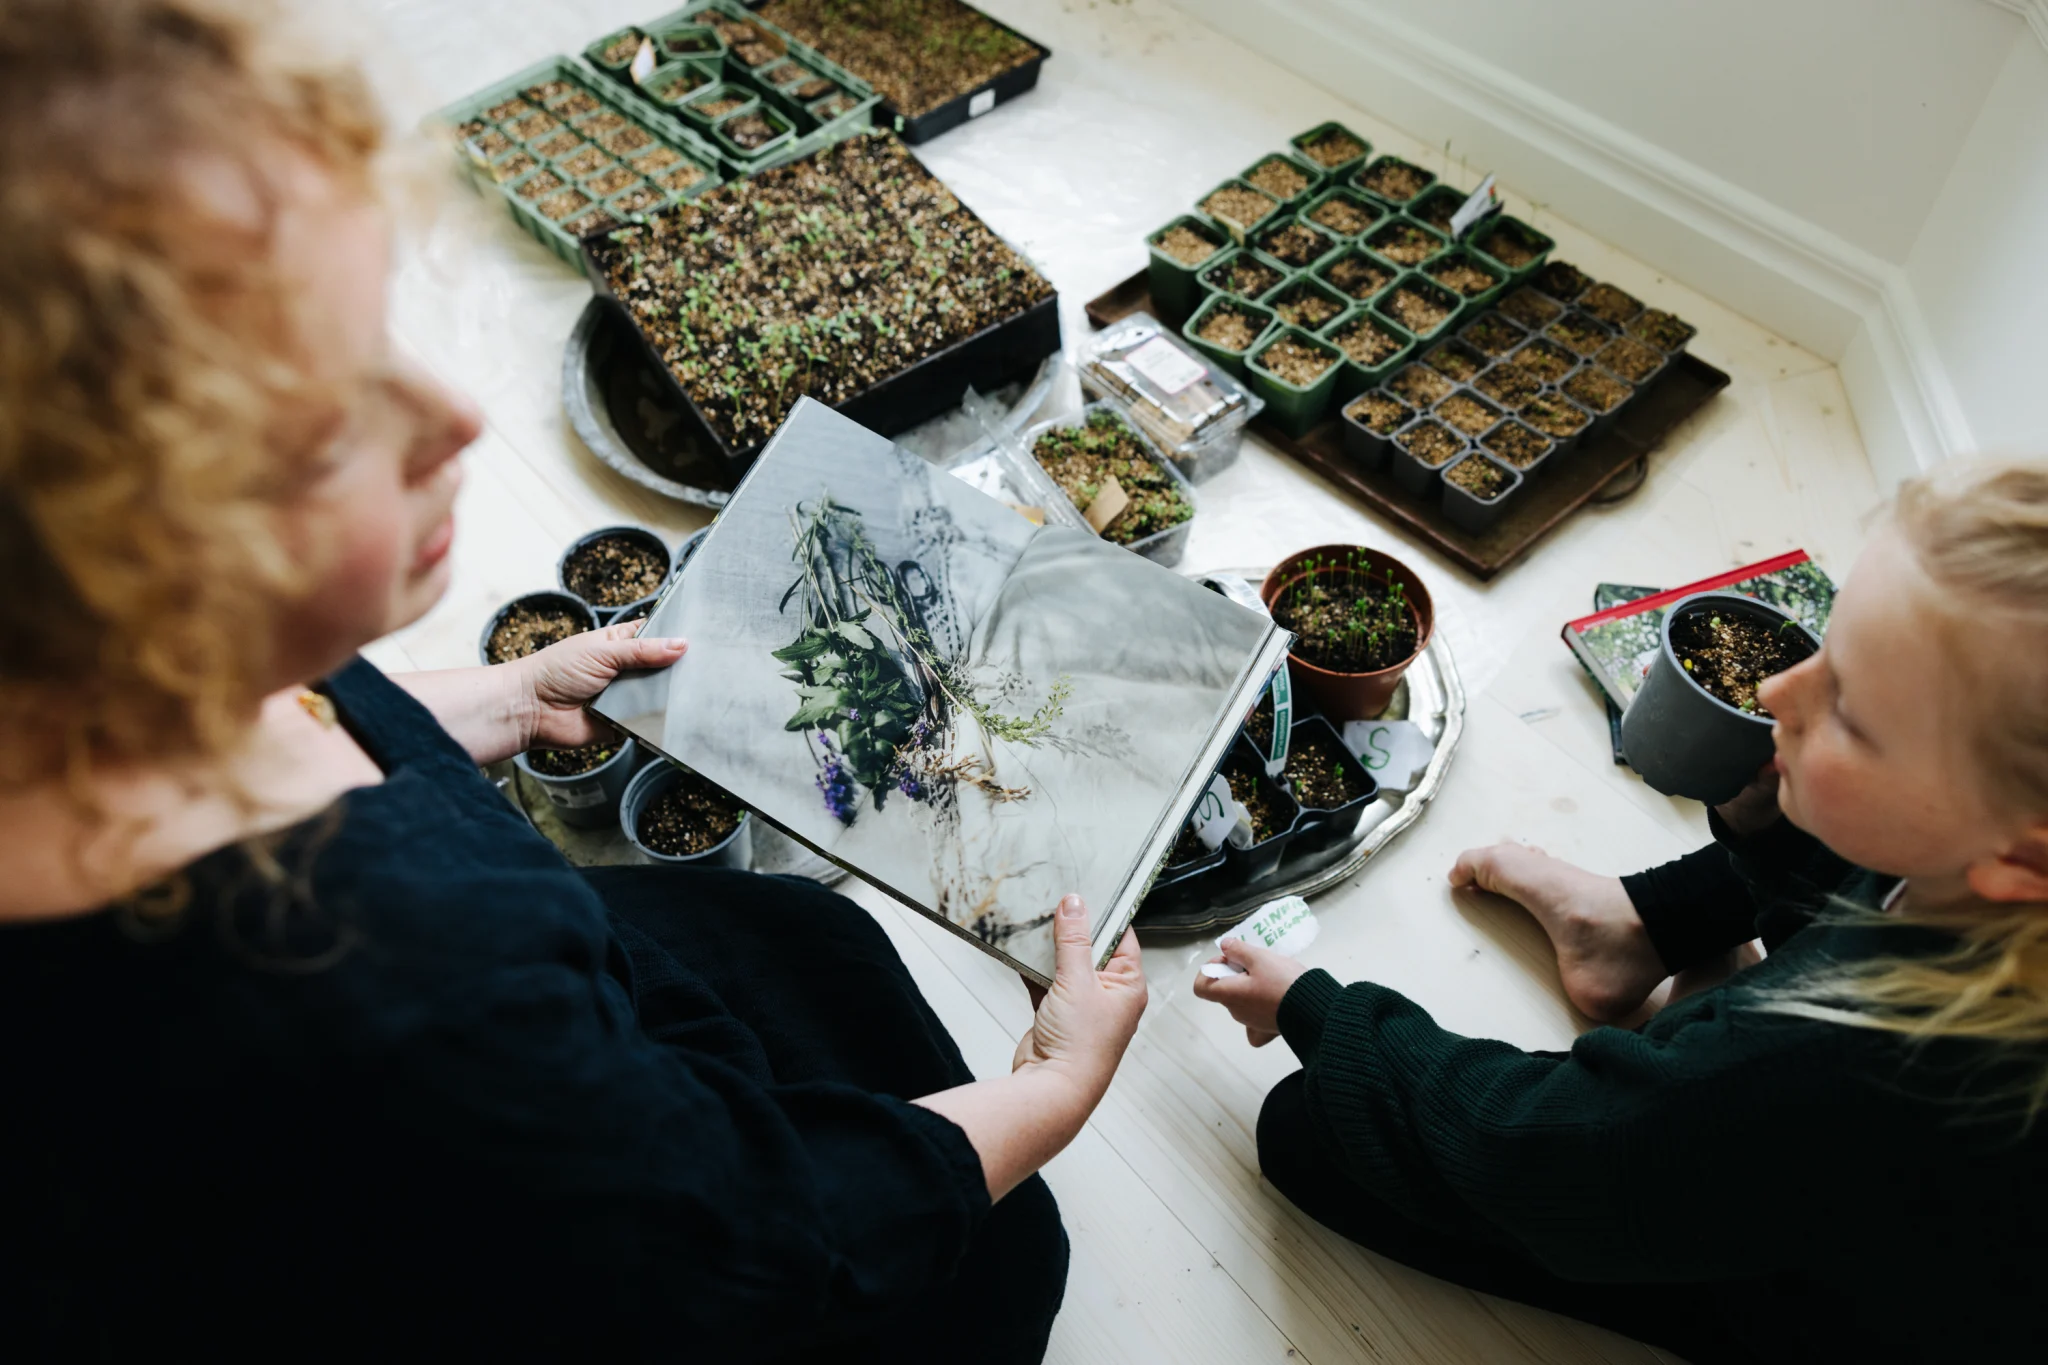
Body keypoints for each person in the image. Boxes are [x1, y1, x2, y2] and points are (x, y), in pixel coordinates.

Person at [0, 2, 1145, 1356]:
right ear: (116, 565)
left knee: (812, 940)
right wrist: (1054, 1088)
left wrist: (503, 698)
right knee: (996, 1257)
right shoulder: (420, 993)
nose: (457, 417)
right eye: (324, 428)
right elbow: (759, 1245)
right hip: (587, 1242)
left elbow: (285, 713)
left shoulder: (86, 681)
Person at [1195, 459, 2048, 1364]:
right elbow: (1888, 865)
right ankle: (1635, 925)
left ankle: (1651, 971)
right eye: (1824, 651)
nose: (1777, 693)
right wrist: (1769, 824)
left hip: (1841, 1307)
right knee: (1827, 832)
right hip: (1863, 1190)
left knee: (1307, 1126)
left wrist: (1320, 1012)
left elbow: (1545, 1151)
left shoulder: (1839, 1057)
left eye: (1851, 710)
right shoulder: (1992, 879)